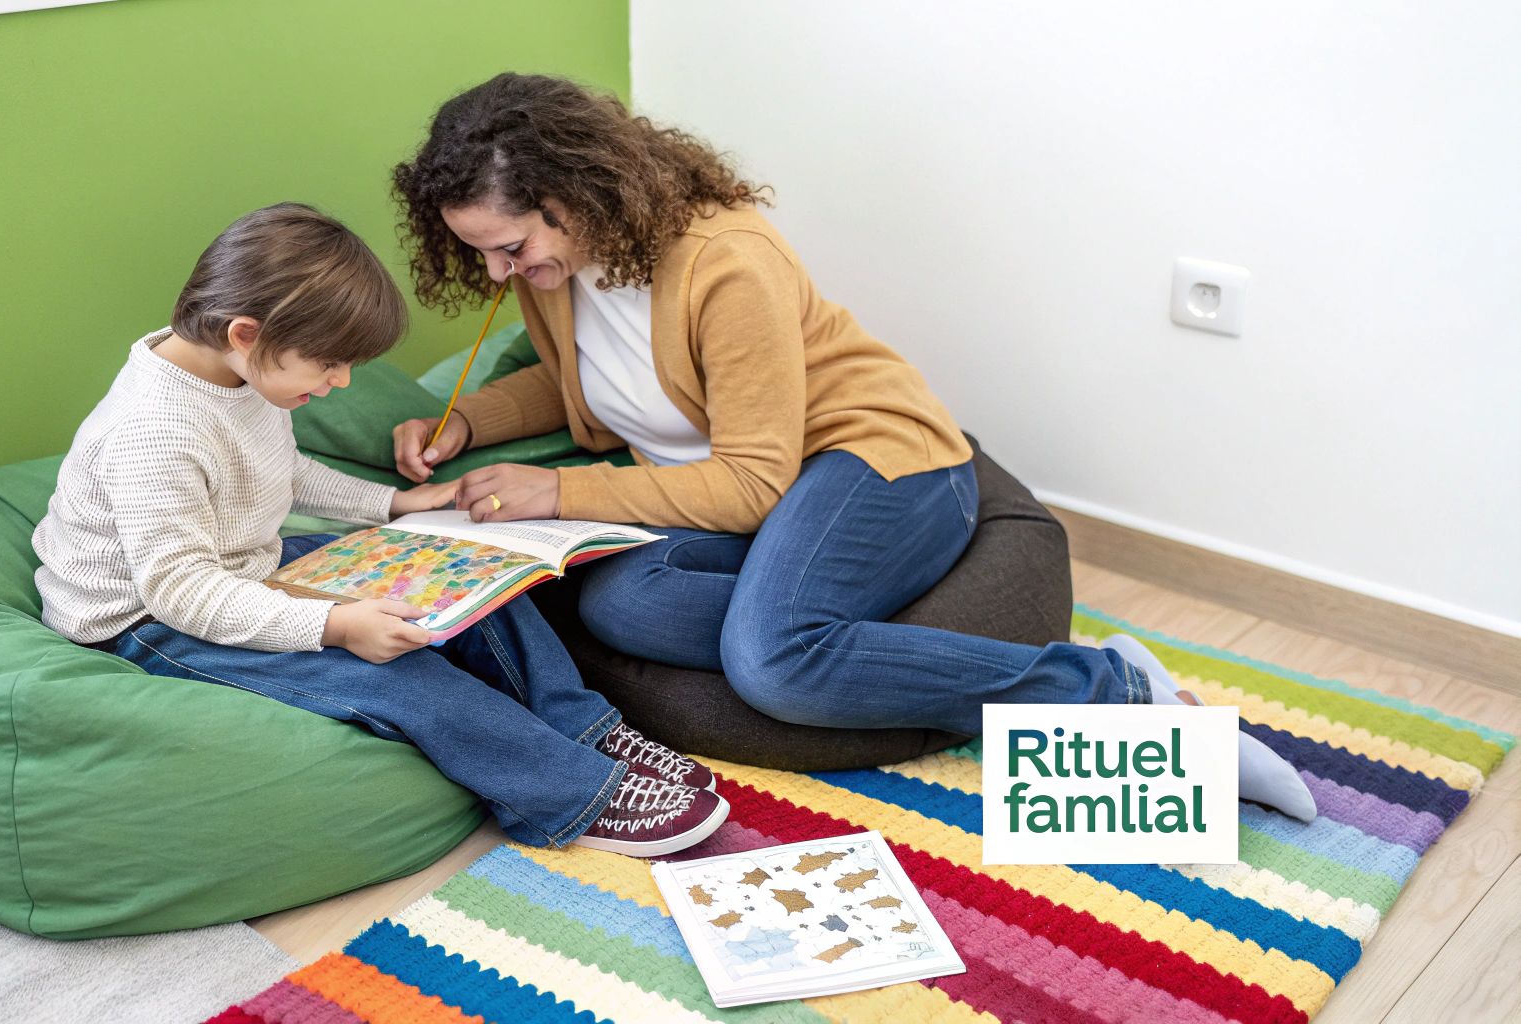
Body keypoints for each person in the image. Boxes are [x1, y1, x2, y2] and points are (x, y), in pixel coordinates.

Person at [388, 75, 1316, 822]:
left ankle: (1111, 690)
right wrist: (470, 420)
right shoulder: (556, 273)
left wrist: (560, 494)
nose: (499, 274)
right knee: (627, 606)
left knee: (776, 663)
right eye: (482, 255)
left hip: (876, 459)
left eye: (509, 247)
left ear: (572, 197)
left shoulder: (726, 261)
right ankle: (854, 628)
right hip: (759, 498)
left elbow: (752, 483)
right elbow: (591, 379)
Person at [32, 202, 729, 856]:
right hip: (150, 619)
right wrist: (335, 628)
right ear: (247, 334)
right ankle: (576, 796)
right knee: (396, 670)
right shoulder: (156, 432)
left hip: (239, 569)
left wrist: (395, 508)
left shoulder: (237, 375)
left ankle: (588, 730)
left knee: (457, 569)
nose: (338, 382)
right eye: (328, 364)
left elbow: (281, 470)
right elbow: (182, 592)